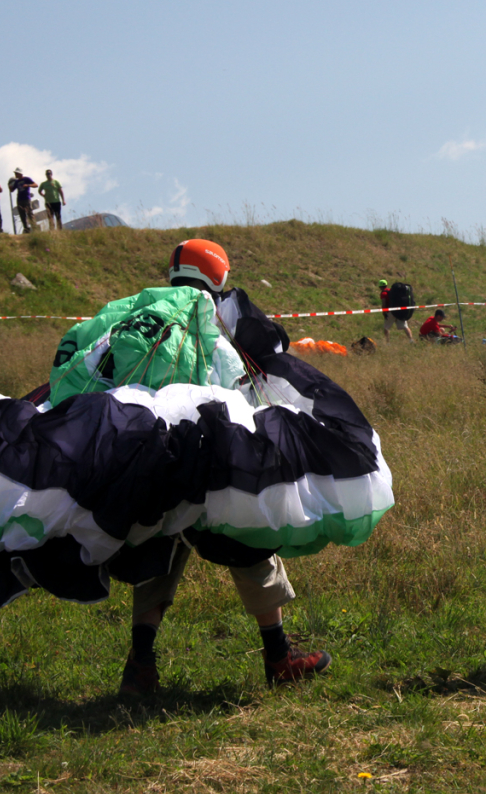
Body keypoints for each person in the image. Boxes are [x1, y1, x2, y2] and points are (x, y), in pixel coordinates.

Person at [112, 239, 333, 694]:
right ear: (218, 275)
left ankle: (140, 666)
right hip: (208, 459)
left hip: (152, 456)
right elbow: (238, 393)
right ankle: (278, 658)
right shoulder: (210, 325)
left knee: (158, 551)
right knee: (252, 540)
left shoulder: (144, 318)